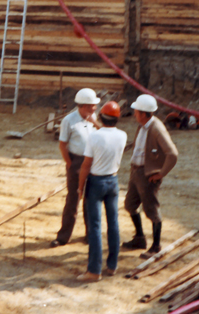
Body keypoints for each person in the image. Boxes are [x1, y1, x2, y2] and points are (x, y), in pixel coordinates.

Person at [122, 94, 178, 258]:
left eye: (136, 111)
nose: (134, 114)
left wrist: (161, 173)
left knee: (152, 209)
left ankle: (156, 246)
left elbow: (172, 153)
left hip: (147, 174)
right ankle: (139, 238)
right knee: (130, 205)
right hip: (136, 171)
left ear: (144, 113)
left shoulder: (156, 128)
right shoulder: (143, 125)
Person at [77, 101, 127, 282]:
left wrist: (80, 187)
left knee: (95, 227)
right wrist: (97, 124)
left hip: (96, 182)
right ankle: (112, 266)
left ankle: (94, 270)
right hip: (113, 181)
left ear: (101, 117)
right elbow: (108, 133)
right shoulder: (122, 135)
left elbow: (86, 165)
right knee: (113, 223)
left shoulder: (94, 137)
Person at [51, 88, 102, 247]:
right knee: (73, 199)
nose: (94, 108)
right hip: (76, 161)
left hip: (92, 161)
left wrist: (94, 122)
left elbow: (103, 133)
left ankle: (90, 235)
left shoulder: (93, 117)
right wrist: (70, 164)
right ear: (82, 106)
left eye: (94, 106)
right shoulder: (69, 121)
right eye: (91, 106)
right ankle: (63, 236)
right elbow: (62, 145)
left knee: (91, 199)